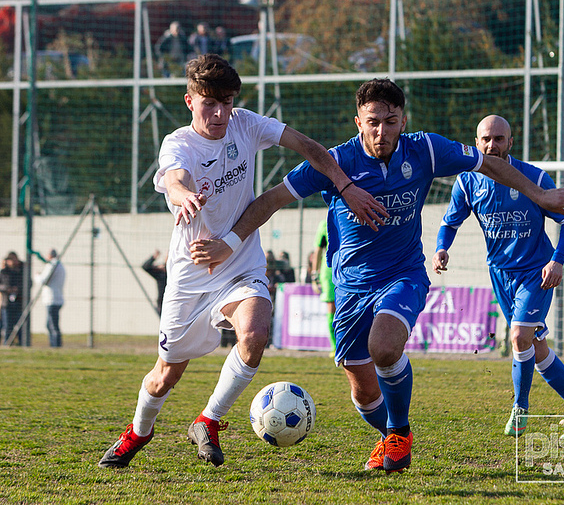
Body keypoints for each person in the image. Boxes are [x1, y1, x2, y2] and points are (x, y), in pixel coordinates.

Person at [189, 78, 564, 473]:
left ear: (403, 121)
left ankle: (398, 434)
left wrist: (540, 195)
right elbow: (271, 200)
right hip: (350, 286)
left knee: (384, 346)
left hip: (403, 274)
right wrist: (229, 243)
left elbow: (488, 163)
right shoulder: (335, 162)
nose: (382, 131)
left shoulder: (426, 150)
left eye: (391, 122)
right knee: (362, 392)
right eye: (373, 122)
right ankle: (391, 437)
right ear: (358, 122)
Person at [98, 53, 384, 470]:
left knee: (254, 333)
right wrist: (185, 195)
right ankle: (139, 432)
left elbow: (309, 148)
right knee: (165, 375)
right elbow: (175, 180)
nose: (219, 114)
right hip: (191, 274)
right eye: (209, 103)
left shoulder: (246, 124)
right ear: (190, 101)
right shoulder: (178, 144)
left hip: (241, 264)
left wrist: (344, 185)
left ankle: (208, 420)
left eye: (227, 102)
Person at [432, 115, 564, 441]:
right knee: (535, 347)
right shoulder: (467, 182)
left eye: (498, 139)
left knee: (519, 336)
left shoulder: (533, 177)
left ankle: (520, 408)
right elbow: (449, 223)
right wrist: (441, 248)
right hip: (500, 275)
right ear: (476, 143)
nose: (492, 145)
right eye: (486, 139)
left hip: (536, 273)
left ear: (510, 142)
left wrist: (557, 261)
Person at [312, 218, 337, 357]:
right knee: (331, 308)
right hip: (329, 272)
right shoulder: (324, 224)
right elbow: (318, 251)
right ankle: (335, 347)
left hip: (348, 270)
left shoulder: (350, 217)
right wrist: (314, 276)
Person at [33, 249, 66, 348]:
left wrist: (37, 276)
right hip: (56, 298)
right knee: (50, 324)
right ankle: (54, 344)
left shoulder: (52, 265)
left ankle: (56, 345)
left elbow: (43, 280)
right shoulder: (60, 265)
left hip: (52, 299)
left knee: (52, 325)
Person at [0, 252, 24, 346]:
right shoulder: (4, 272)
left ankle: (22, 344)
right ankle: (7, 344)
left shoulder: (22, 271)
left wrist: (17, 289)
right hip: (7, 303)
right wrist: (7, 289)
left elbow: (28, 283)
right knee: (7, 326)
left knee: (20, 325)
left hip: (19, 302)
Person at [142, 250, 167, 316]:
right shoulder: (162, 271)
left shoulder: (176, 271)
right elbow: (146, 267)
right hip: (162, 302)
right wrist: (154, 257)